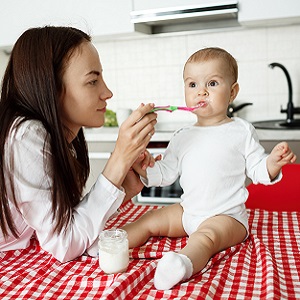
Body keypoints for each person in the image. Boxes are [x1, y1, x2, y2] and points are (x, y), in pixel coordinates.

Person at [122, 47, 297, 290]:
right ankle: (113, 242)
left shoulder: (241, 130)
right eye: (192, 84)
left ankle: (181, 264)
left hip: (227, 217)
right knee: (152, 218)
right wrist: (144, 167)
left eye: (212, 83)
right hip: (188, 211)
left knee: (205, 237)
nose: (201, 91)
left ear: (232, 92)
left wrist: (272, 163)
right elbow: (165, 173)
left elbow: (257, 169)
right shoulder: (182, 135)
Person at [0, 26, 157, 263]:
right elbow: (65, 242)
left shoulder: (61, 137)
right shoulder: (26, 137)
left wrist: (123, 186)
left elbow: (68, 221)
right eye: (93, 81)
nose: (107, 92)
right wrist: (119, 159)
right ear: (52, 88)